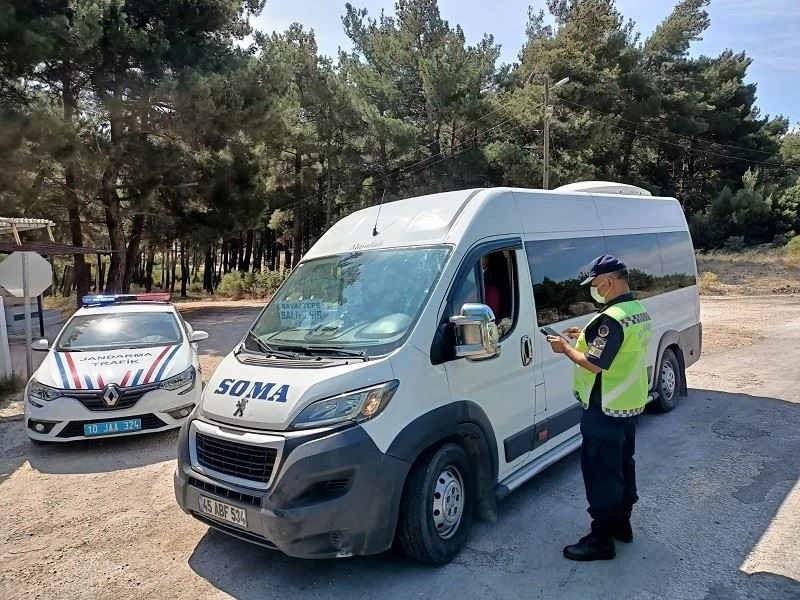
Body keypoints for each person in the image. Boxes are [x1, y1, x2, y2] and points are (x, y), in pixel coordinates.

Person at [546, 254, 652, 561]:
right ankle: (622, 525)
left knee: (600, 471)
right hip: (628, 403)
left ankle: (601, 539)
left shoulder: (611, 319)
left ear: (610, 280)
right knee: (623, 464)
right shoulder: (637, 311)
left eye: (596, 283)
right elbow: (619, 350)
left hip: (604, 407)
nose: (594, 288)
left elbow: (594, 364)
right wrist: (584, 336)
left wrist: (565, 348)